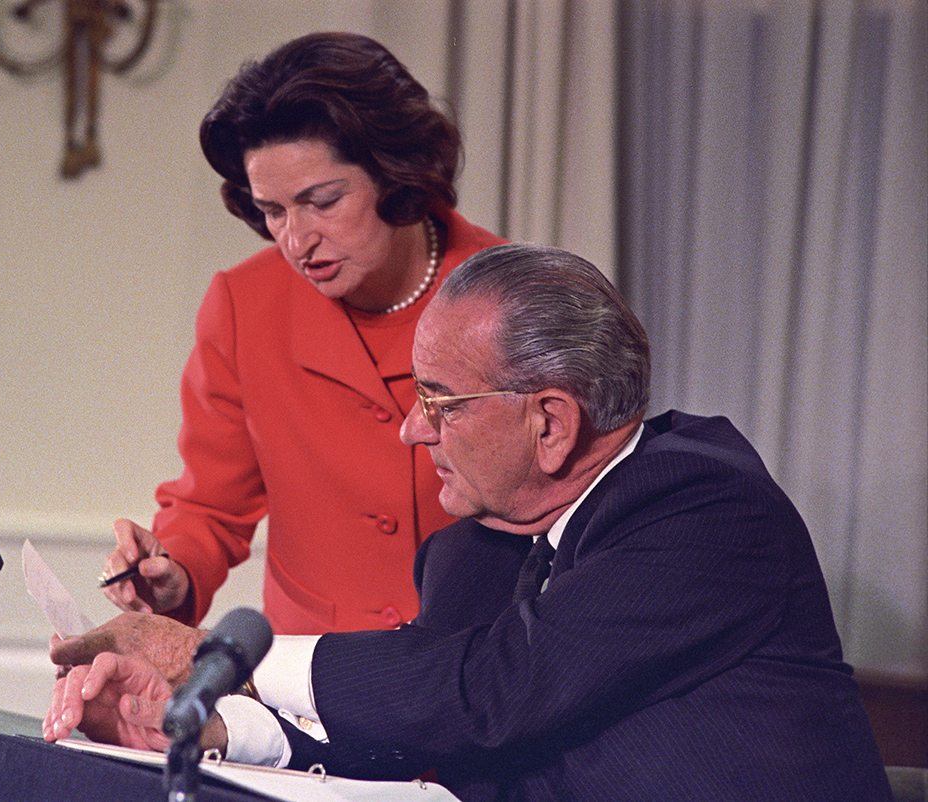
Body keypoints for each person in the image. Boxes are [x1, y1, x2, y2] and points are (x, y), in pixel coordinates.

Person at [46, 242, 893, 801]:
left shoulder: (707, 510)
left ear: (551, 424)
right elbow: (417, 723)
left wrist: (209, 656)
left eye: (438, 404)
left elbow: (492, 691)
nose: (413, 430)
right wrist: (201, 722)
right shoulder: (473, 549)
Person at [100, 32, 505, 636]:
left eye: (321, 202)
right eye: (273, 210)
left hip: (486, 669)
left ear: (395, 175)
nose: (296, 240)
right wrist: (174, 571)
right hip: (314, 679)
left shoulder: (513, 294)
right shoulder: (245, 305)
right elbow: (210, 507)